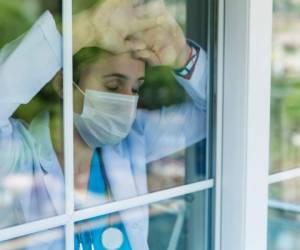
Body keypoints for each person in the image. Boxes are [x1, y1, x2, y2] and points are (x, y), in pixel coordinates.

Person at [0, 0, 207, 249]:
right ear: (63, 82)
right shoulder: (18, 155)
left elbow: (215, 114)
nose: (128, 100)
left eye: (136, 88)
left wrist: (184, 57)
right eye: (112, 85)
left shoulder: (135, 138)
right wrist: (86, 28)